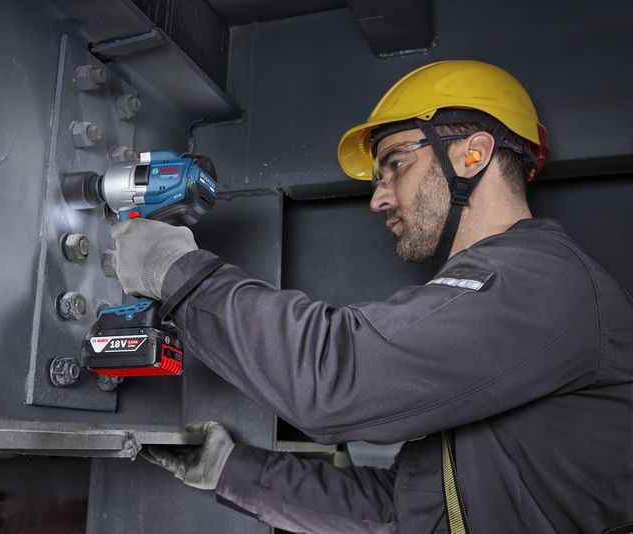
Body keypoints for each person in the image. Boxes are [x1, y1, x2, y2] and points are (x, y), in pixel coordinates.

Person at [110, 60, 633, 533]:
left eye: (396, 163)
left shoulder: (543, 283)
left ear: (472, 156)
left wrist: (176, 271)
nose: (379, 196)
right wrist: (230, 471)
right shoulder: (505, 292)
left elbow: (339, 379)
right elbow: (403, 513)